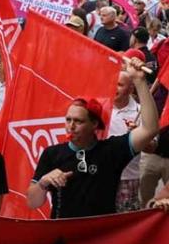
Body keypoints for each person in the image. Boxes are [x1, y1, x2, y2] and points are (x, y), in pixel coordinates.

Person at [26, 59, 159, 218]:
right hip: (62, 235)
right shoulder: (52, 154)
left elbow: (150, 129)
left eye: (79, 121)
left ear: (94, 124)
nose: (71, 126)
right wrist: (44, 182)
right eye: (68, 120)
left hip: (99, 236)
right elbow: (32, 203)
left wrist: (139, 80)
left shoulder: (111, 151)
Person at [106, 71, 142, 212]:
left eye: (120, 85)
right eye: (113, 83)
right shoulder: (100, 107)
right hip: (102, 174)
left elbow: (152, 147)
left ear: (131, 89)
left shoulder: (140, 111)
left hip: (128, 177)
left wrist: (139, 135)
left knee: (124, 218)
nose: (114, 88)